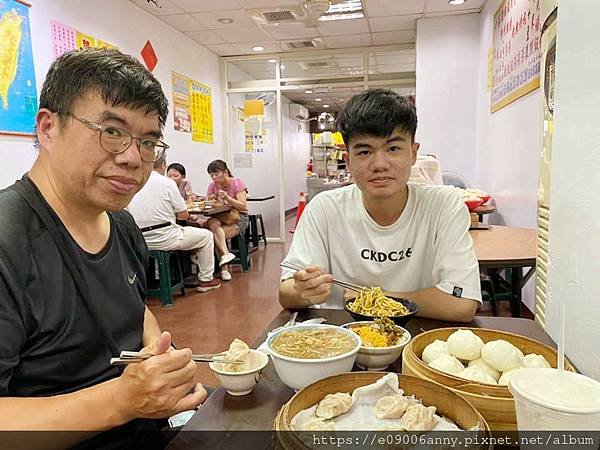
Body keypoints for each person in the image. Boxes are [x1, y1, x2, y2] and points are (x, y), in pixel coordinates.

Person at [0, 48, 207, 449]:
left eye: (149, 142)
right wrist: (122, 400)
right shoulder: (8, 242)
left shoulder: (122, 224)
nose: (133, 158)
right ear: (47, 127)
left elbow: (134, 308)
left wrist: (158, 356)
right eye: (112, 131)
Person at [279, 89, 481, 323]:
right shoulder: (324, 208)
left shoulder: (443, 206)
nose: (380, 164)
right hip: (341, 340)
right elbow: (286, 294)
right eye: (365, 152)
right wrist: (304, 290)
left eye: (393, 148)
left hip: (417, 341)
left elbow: (462, 305)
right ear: (348, 160)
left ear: (413, 154)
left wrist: (374, 299)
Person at [128, 154, 221, 293]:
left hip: (138, 240)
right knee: (207, 236)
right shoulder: (167, 183)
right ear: (164, 165)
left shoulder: (134, 180)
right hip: (166, 237)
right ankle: (206, 280)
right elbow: (183, 215)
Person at [205, 160, 249, 281]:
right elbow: (211, 206)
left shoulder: (237, 184)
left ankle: (224, 269)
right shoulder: (212, 187)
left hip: (238, 218)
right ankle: (226, 255)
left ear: (225, 172)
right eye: (211, 175)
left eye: (216, 174)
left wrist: (227, 198)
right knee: (211, 224)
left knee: (216, 235)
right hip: (220, 217)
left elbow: (243, 206)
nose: (214, 178)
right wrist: (212, 200)